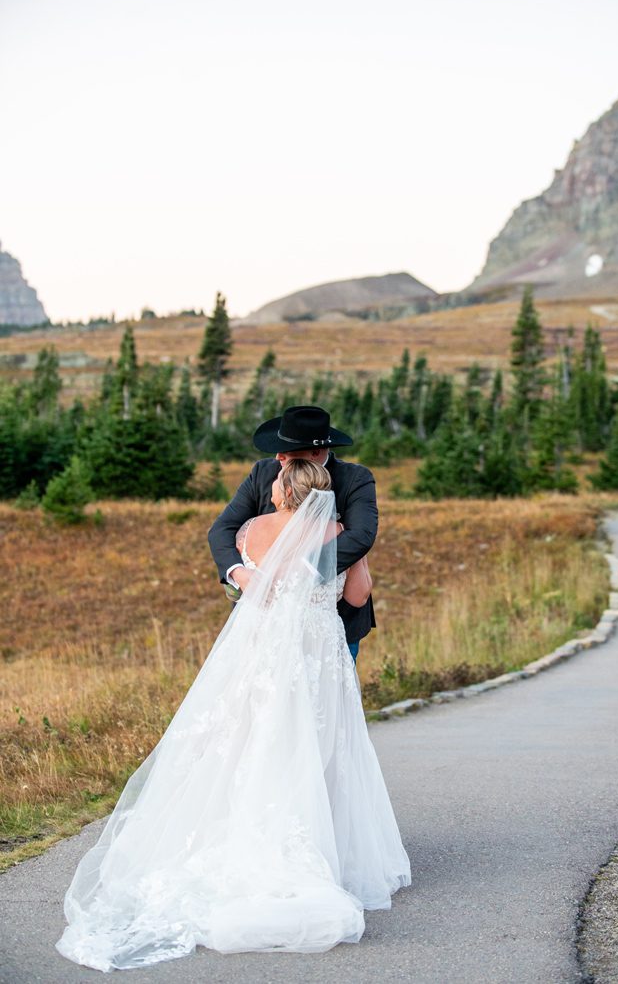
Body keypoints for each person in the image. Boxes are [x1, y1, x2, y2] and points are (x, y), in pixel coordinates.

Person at [57, 457, 410, 970]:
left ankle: (241, 826)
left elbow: (248, 580)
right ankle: (320, 843)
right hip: (316, 656)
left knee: (250, 740)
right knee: (319, 745)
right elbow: (357, 595)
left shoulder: (254, 531)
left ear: (283, 489)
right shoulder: (337, 532)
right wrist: (354, 559)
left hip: (262, 654)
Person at [210, 405, 378, 658]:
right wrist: (238, 573)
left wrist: (296, 574)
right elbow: (222, 529)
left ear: (315, 452)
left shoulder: (355, 479)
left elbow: (360, 536)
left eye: (288, 450)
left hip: (332, 623)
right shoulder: (263, 473)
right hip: (264, 625)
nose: (278, 456)